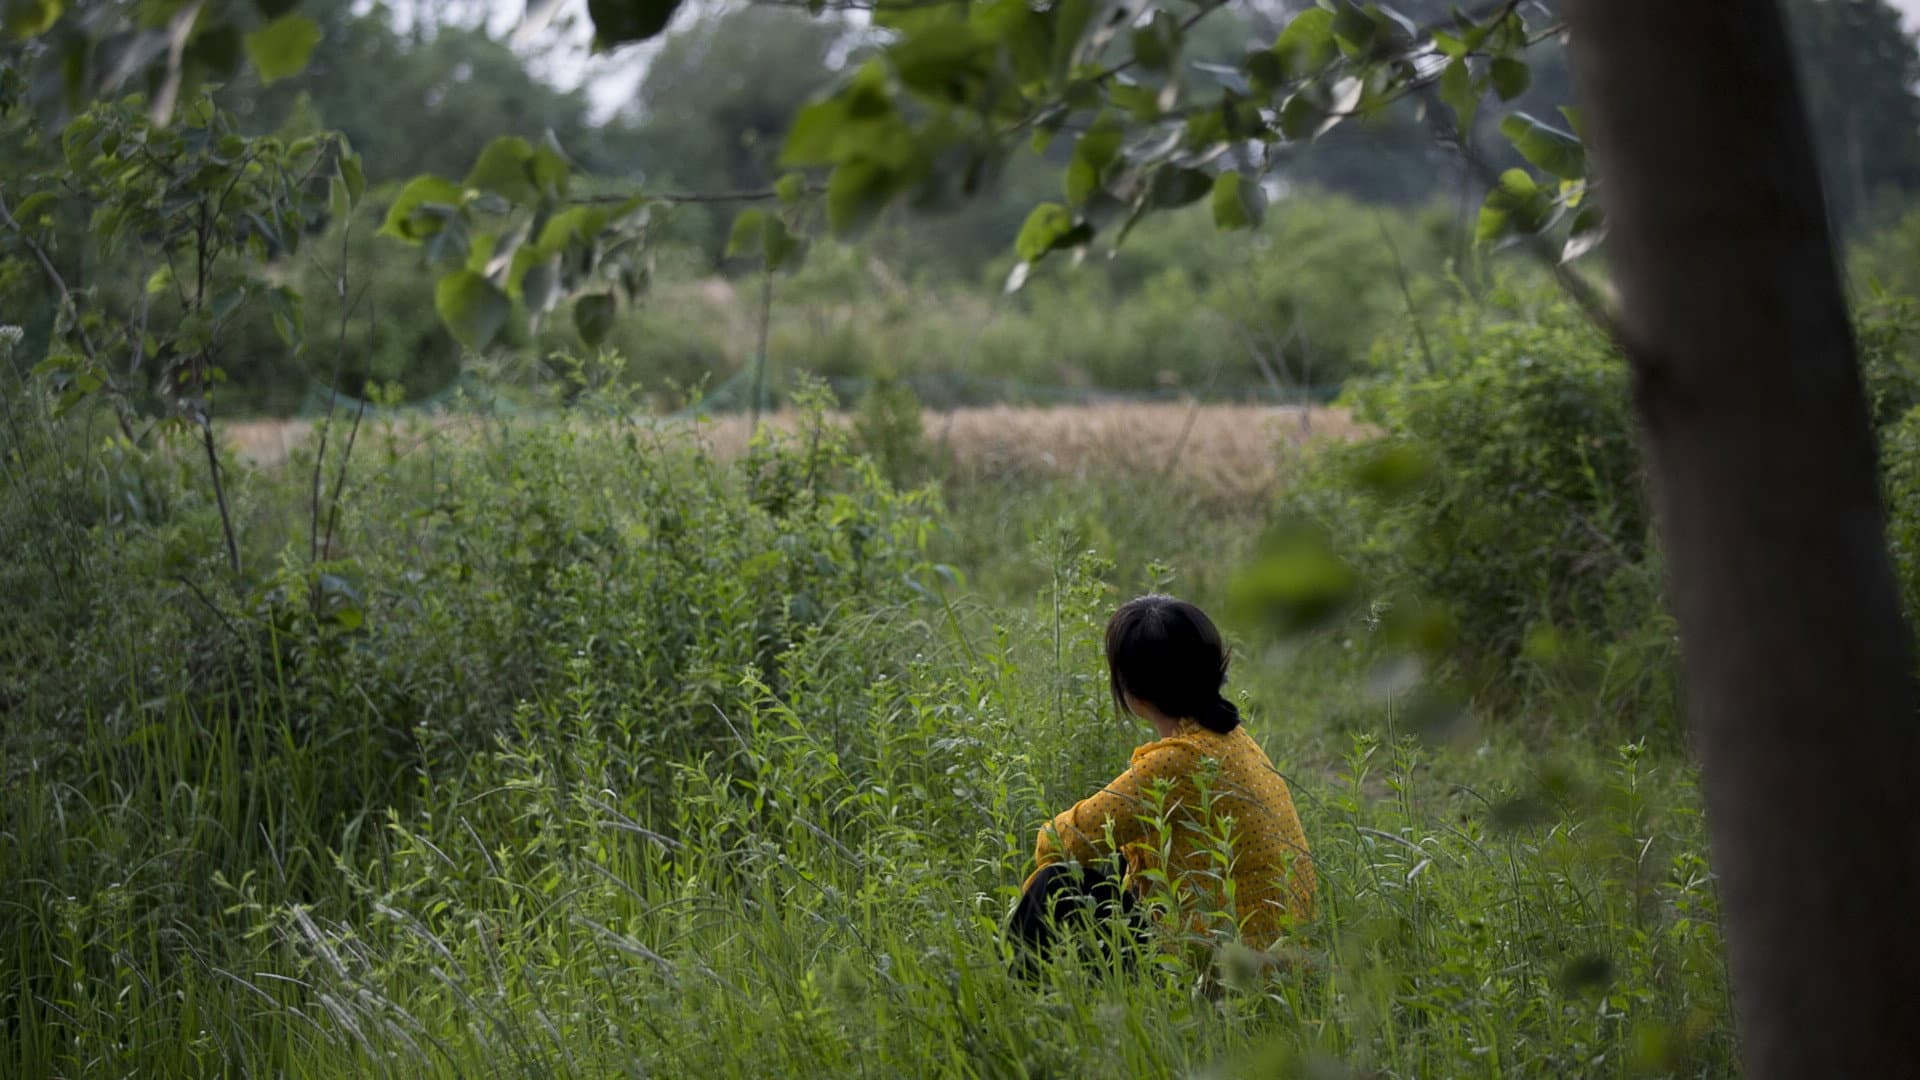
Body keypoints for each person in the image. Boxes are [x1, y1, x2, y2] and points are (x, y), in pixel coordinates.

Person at [1007, 595, 1315, 969]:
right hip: (1278, 945)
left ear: (1134, 695)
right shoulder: (1230, 737)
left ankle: (1018, 998)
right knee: (1122, 861)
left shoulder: (1177, 761)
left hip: (1227, 963)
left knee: (1053, 884)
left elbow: (1062, 839)